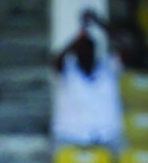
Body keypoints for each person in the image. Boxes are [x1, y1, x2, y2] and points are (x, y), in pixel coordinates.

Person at [51, 10, 126, 150]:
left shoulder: (109, 67)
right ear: (75, 52)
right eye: (82, 49)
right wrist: (78, 37)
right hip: (70, 137)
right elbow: (56, 60)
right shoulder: (68, 70)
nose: (86, 53)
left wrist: (100, 24)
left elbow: (125, 47)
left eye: (90, 49)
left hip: (107, 136)